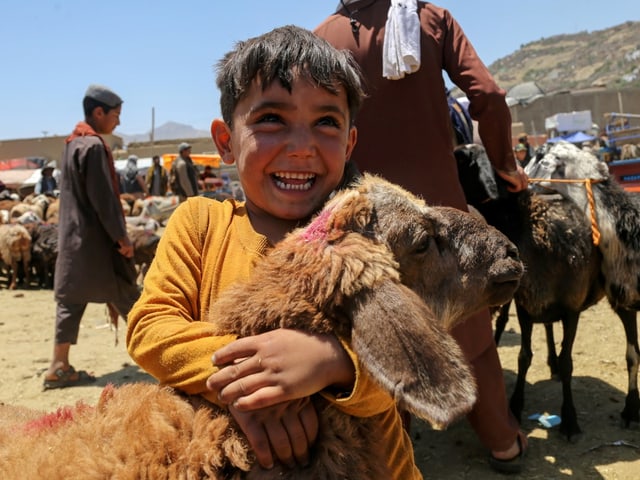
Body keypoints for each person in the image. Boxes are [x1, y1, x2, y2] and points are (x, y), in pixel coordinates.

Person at [127, 25, 423, 478]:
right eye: (271, 120)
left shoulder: (369, 238)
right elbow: (151, 327)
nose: (301, 147)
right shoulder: (201, 222)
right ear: (226, 141)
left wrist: (332, 361)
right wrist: (251, 383)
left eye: (326, 122)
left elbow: (406, 365)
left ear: (350, 143)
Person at [315, 1, 529, 474]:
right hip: (439, 218)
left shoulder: (321, 36)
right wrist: (505, 165)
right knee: (469, 328)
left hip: (366, 221)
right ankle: (503, 444)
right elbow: (489, 96)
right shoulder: (430, 19)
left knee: (379, 327)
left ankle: (396, 449)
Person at [43, 84, 140, 390]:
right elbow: (104, 200)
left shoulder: (72, 144)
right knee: (129, 296)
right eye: (116, 115)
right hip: (98, 246)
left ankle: (58, 366)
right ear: (99, 112)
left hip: (74, 242)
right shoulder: (94, 147)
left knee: (70, 302)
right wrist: (122, 238)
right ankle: (162, 355)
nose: (119, 122)